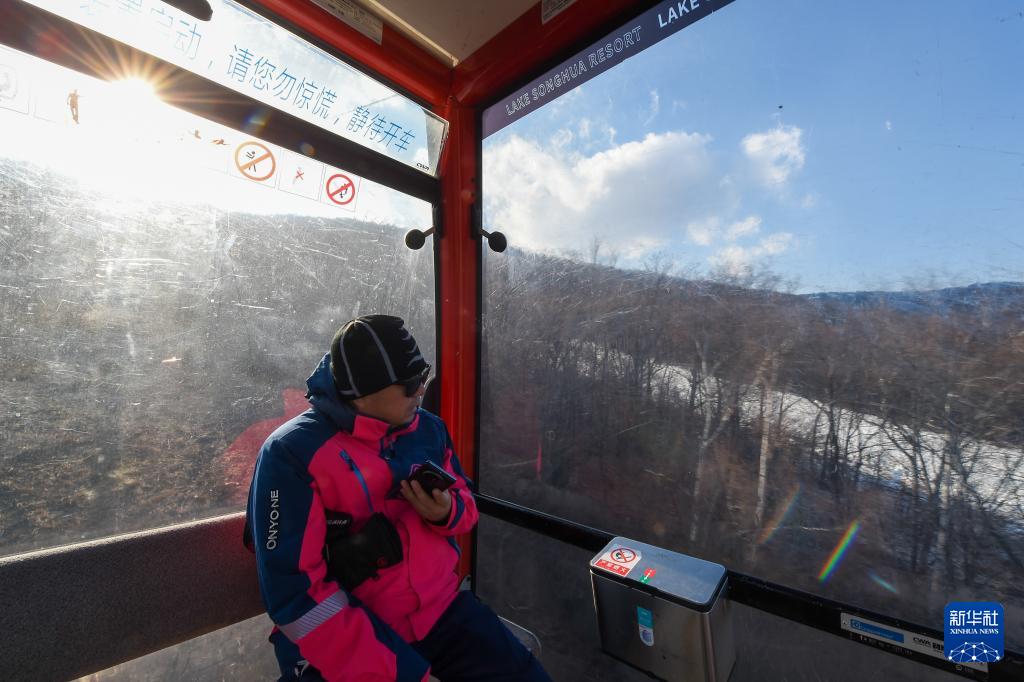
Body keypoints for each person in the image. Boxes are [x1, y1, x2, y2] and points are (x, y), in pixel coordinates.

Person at [246, 315, 551, 681]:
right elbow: (295, 596)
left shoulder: (428, 430)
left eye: (422, 376)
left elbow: (467, 507)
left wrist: (446, 513)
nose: (420, 390)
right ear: (362, 392)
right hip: (346, 639)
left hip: (441, 613)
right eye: (409, 383)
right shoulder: (293, 454)